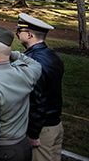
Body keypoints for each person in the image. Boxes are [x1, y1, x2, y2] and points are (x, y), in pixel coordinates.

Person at [0, 26, 42, 161]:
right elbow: (36, 65)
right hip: (23, 145)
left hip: (4, 151)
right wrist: (10, 54)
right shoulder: (25, 73)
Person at [15, 13, 65, 161]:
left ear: (29, 35)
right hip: (55, 124)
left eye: (19, 31)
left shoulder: (32, 62)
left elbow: (37, 99)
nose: (17, 33)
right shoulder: (53, 55)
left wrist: (34, 132)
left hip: (42, 129)